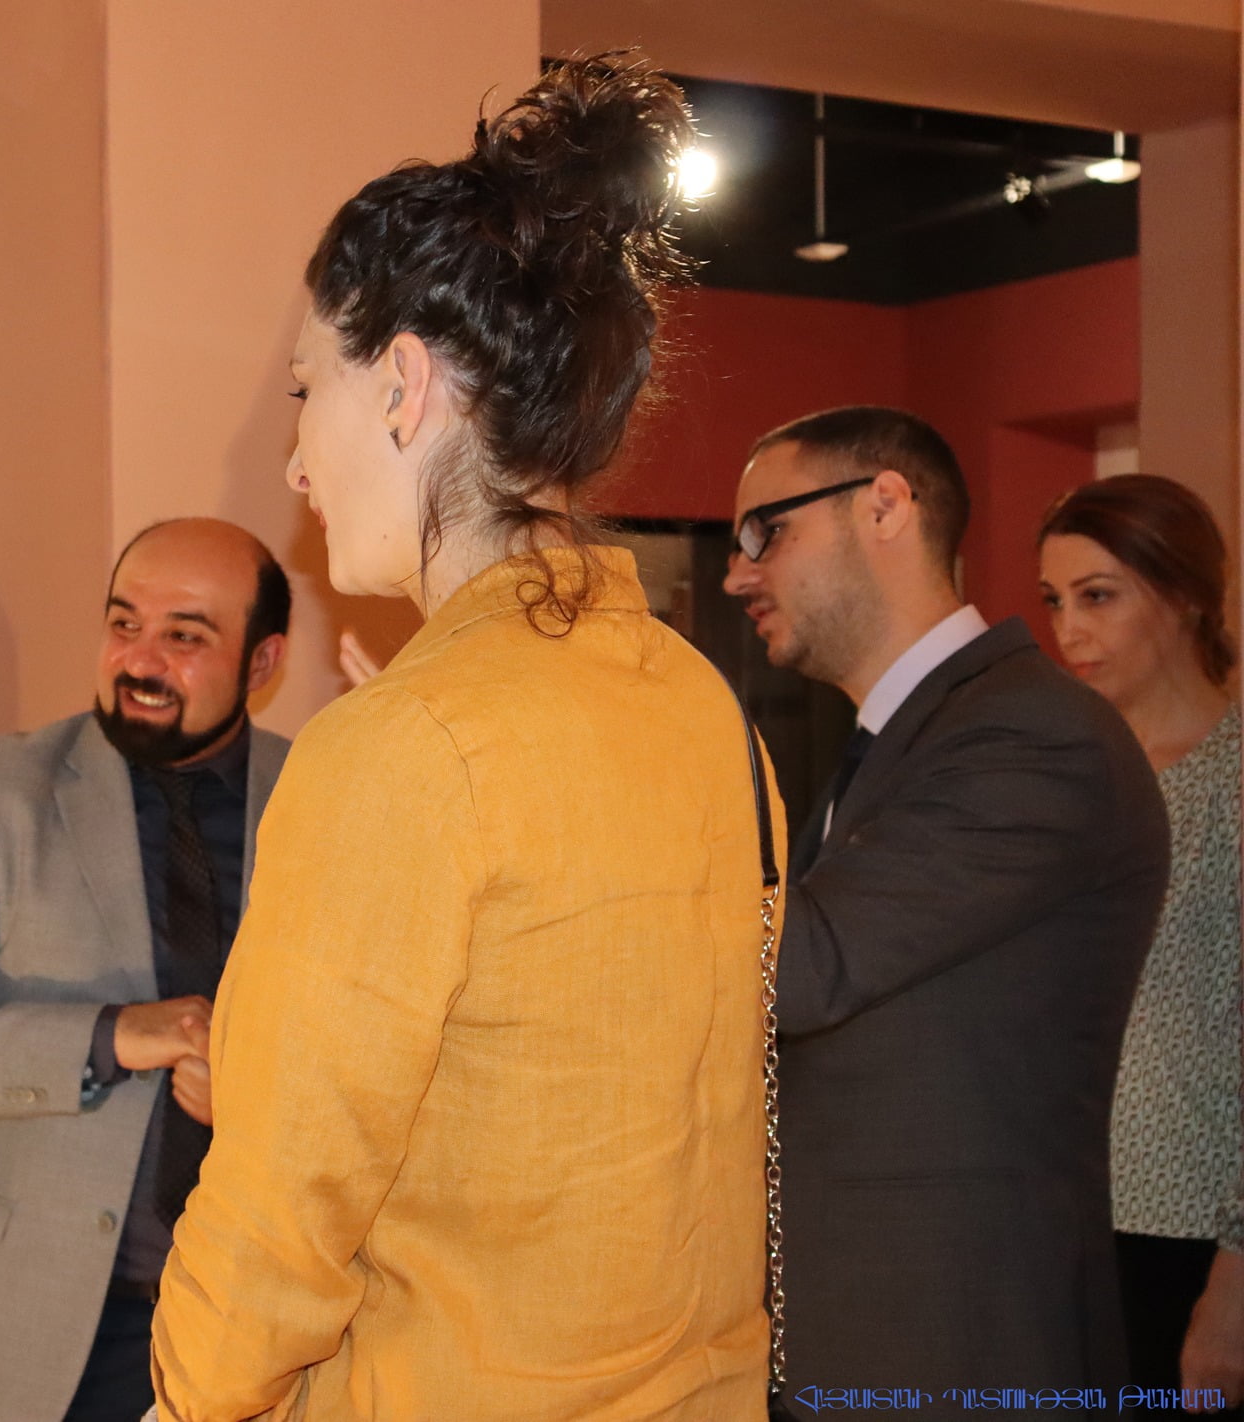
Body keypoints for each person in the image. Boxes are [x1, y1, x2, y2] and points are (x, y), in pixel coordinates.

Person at [149, 56, 775, 1421]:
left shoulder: (405, 747)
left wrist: (185, 1397)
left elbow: (278, 1215)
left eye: (306, 391)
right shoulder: (696, 703)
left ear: (403, 386)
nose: (295, 462)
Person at [721, 406, 1168, 1413]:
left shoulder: (1032, 735)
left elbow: (799, 968)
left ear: (884, 506)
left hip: (960, 1350)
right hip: (874, 1339)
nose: (737, 575)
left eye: (765, 533)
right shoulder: (904, 740)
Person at [0, 517, 291, 1422]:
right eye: (123, 623)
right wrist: (111, 1036)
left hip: (261, 1333)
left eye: (184, 636)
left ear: (263, 661)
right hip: (38, 1337)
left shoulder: (322, 799)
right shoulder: (1, 792)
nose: (140, 660)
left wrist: (259, 1095)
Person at [1039, 475, 1243, 1412]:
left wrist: (1235, 1281)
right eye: (1054, 601)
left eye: (1098, 596)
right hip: (1063, 1213)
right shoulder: (1073, 779)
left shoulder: (1231, 782)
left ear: (1186, 594)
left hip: (1192, 1234)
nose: (1069, 629)